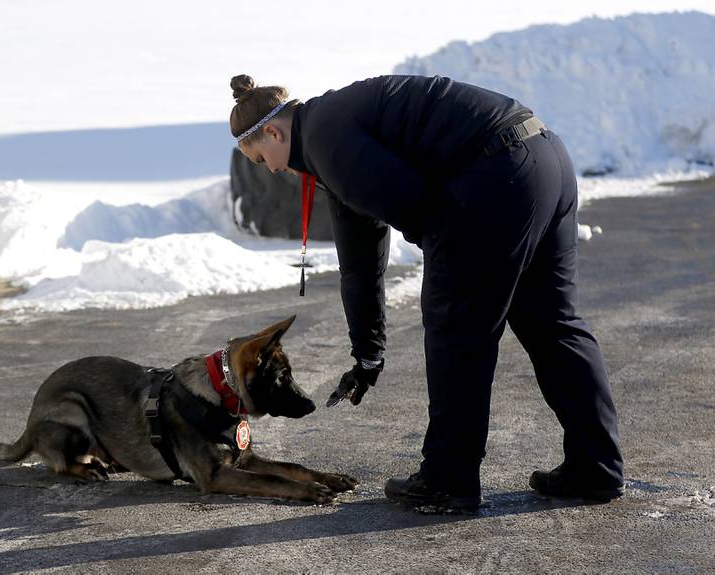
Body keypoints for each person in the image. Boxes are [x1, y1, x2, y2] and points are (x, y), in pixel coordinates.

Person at [228, 73, 624, 510]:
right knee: (553, 323)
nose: (275, 169)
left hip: (495, 175)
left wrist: (456, 279)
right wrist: (367, 354)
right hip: (545, 158)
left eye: (264, 159)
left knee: (456, 328)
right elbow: (360, 262)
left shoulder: (326, 138)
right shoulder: (331, 132)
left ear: (272, 131)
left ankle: (448, 479)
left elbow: (419, 209)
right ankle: (596, 467)